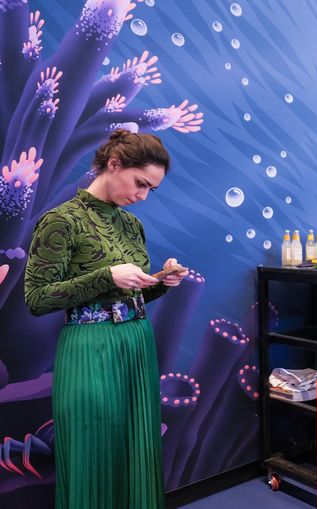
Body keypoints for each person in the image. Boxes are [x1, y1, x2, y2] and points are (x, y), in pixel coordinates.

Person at [24, 129, 188, 508]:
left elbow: (131, 295)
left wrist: (162, 282)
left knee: (137, 445)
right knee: (91, 447)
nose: (143, 196)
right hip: (89, 347)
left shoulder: (132, 225)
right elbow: (36, 299)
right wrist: (106, 277)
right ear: (113, 165)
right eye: (140, 183)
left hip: (137, 343)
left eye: (151, 189)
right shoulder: (61, 221)